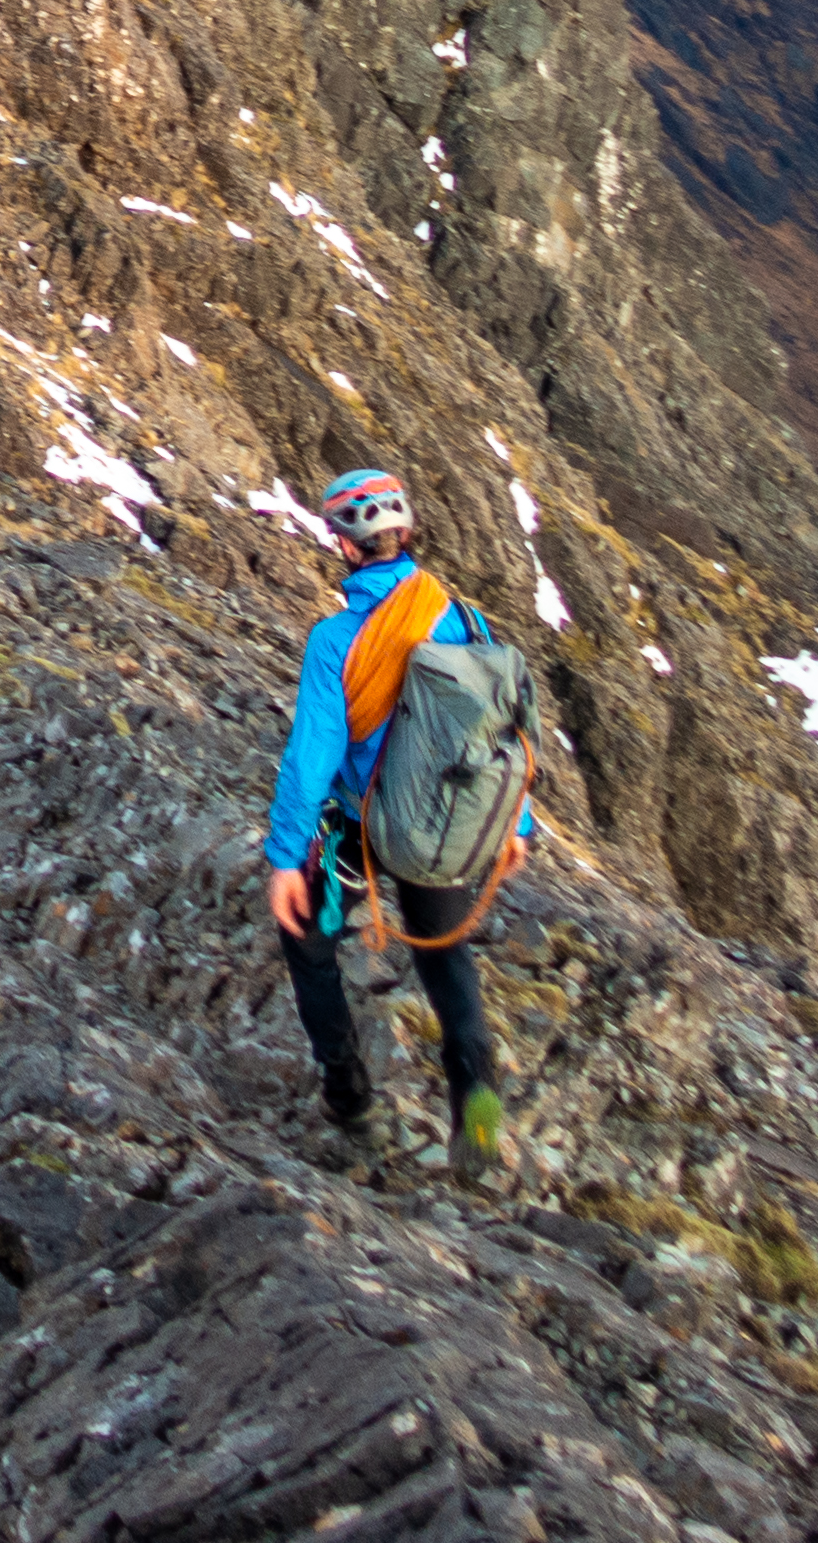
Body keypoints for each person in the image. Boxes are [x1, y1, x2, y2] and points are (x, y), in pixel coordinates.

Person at [259, 466, 519, 1176]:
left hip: (361, 832)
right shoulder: (463, 619)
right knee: (446, 958)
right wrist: (513, 828)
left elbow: (312, 761)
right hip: (445, 827)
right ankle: (481, 1119)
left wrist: (286, 857)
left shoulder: (335, 640)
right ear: (405, 533)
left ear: (345, 546)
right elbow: (500, 728)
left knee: (310, 941)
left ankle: (350, 1101)